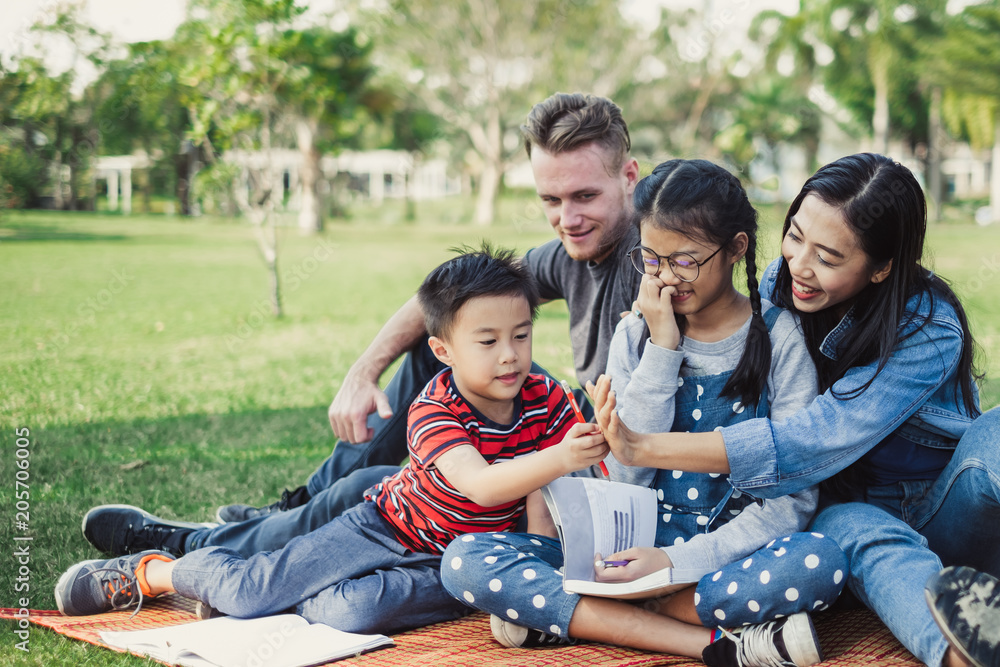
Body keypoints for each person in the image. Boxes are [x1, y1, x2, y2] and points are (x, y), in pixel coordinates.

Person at [79, 92, 644, 558]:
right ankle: (293, 510)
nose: (567, 218)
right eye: (551, 198)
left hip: (588, 457)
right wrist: (364, 369)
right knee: (444, 347)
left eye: (585, 196)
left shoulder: (658, 253)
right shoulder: (573, 248)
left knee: (363, 492)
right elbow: (447, 299)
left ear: (630, 176)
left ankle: (200, 543)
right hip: (554, 438)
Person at [55, 244, 611, 634]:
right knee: (253, 591)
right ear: (443, 351)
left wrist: (538, 562)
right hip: (388, 529)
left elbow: (546, 490)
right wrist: (559, 455)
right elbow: (484, 487)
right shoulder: (435, 409)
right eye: (487, 341)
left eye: (521, 335)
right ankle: (156, 572)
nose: (510, 354)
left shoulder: (546, 397)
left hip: (459, 558)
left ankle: (261, 597)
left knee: (347, 614)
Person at [589, 153, 999, 667]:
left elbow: (811, 439)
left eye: (828, 257)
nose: (799, 265)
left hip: (944, 508)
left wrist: (642, 444)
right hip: (844, 508)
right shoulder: (778, 289)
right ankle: (961, 653)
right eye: (796, 235)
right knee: (851, 535)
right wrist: (657, 344)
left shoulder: (929, 329)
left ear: (882, 267)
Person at [440, 160, 847, 667]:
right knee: (465, 561)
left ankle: (602, 615)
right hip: (621, 554)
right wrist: (662, 347)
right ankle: (703, 636)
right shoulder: (636, 336)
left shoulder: (779, 339)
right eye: (651, 259)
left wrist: (673, 564)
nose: (665, 278)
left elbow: (791, 499)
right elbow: (626, 472)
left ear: (738, 248)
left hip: (724, 560)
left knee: (819, 563)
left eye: (686, 261)